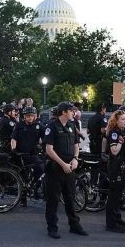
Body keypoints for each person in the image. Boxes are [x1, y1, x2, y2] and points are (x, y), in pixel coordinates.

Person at [43, 101, 88, 239]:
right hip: (56, 168)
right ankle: (52, 227)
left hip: (70, 167)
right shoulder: (51, 127)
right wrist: (62, 164)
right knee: (53, 200)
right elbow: (49, 150)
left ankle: (74, 225)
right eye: (70, 110)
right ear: (63, 112)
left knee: (70, 198)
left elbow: (76, 144)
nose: (73, 113)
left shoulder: (71, 125)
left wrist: (75, 158)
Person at [105, 110, 125, 233]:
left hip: (123, 167)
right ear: (116, 121)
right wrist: (120, 143)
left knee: (119, 196)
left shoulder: (122, 131)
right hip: (116, 168)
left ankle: (117, 218)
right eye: (122, 119)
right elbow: (114, 151)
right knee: (114, 196)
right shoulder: (114, 133)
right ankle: (111, 224)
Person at [11, 106, 44, 205]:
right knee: (23, 176)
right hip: (21, 154)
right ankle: (23, 198)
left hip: (33, 154)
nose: (30, 118)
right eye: (28, 116)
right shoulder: (19, 125)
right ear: (24, 116)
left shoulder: (39, 126)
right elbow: (13, 138)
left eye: (32, 116)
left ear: (35, 116)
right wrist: (13, 149)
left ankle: (34, 187)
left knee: (40, 169)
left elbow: (45, 140)